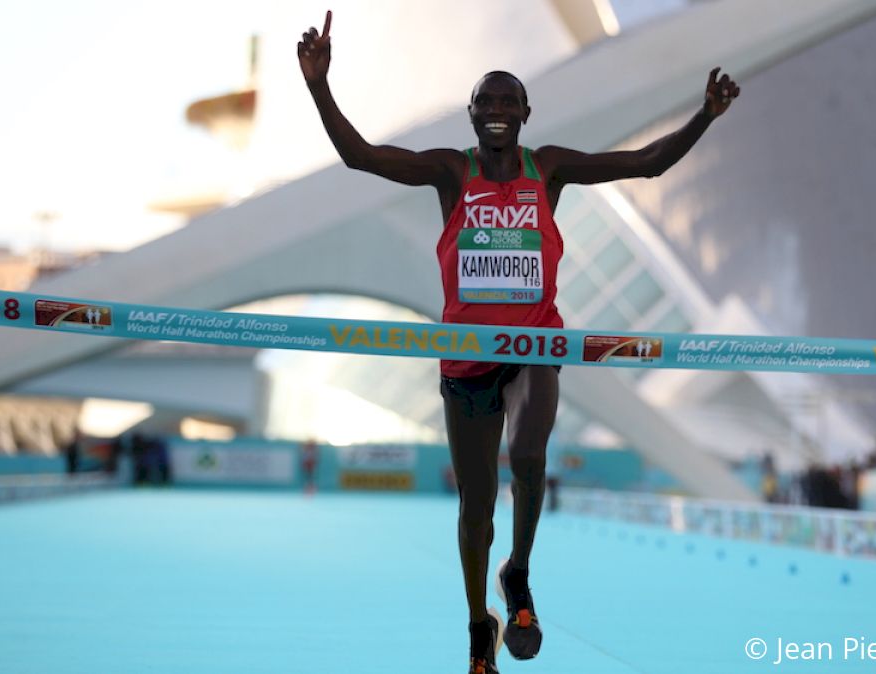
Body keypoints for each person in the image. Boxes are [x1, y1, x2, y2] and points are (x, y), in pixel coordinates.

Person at [298, 11, 739, 673]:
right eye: (487, 101)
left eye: (509, 100)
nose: (499, 109)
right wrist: (319, 85)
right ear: (471, 114)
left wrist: (703, 116)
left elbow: (643, 163)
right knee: (476, 508)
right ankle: (481, 626)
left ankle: (519, 572)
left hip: (534, 344)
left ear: (526, 112)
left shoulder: (549, 168)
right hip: (467, 358)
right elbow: (361, 157)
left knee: (529, 451)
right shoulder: (452, 172)